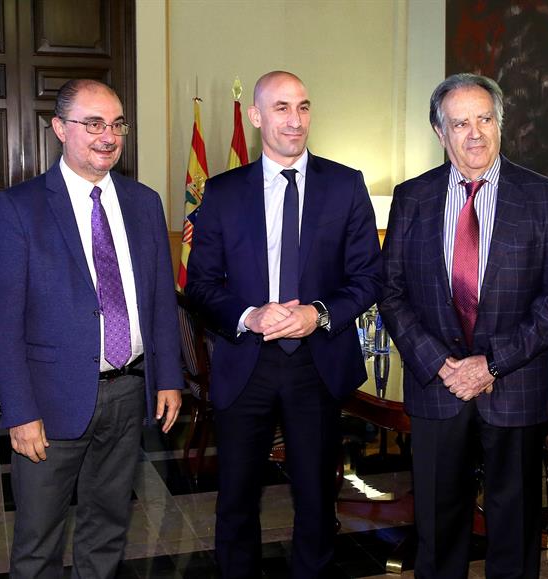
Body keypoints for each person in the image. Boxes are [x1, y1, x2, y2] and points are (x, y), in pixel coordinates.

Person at [0, 79, 182, 579]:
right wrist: (20, 412)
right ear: (59, 129)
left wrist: (171, 377)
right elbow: (2, 324)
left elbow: (160, 298)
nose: (107, 135)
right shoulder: (19, 207)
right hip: (49, 405)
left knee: (107, 528)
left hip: (128, 391)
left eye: (116, 124)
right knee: (38, 543)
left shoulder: (144, 202)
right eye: (93, 123)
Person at [186, 70, 381, 577]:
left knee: (316, 501)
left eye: (303, 107)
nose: (295, 121)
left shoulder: (345, 185)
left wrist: (316, 314)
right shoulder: (223, 192)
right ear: (255, 116)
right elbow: (201, 284)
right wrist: (249, 315)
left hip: (316, 364)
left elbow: (368, 278)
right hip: (243, 364)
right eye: (281, 108)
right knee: (235, 501)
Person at [379, 73, 548, 578]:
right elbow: (392, 291)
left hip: (516, 388)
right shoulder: (412, 198)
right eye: (460, 122)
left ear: (500, 124)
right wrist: (439, 364)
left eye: (485, 119)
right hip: (437, 390)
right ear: (440, 133)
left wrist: (492, 364)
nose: (475, 133)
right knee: (439, 537)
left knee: (515, 533)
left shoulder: (545, 198)